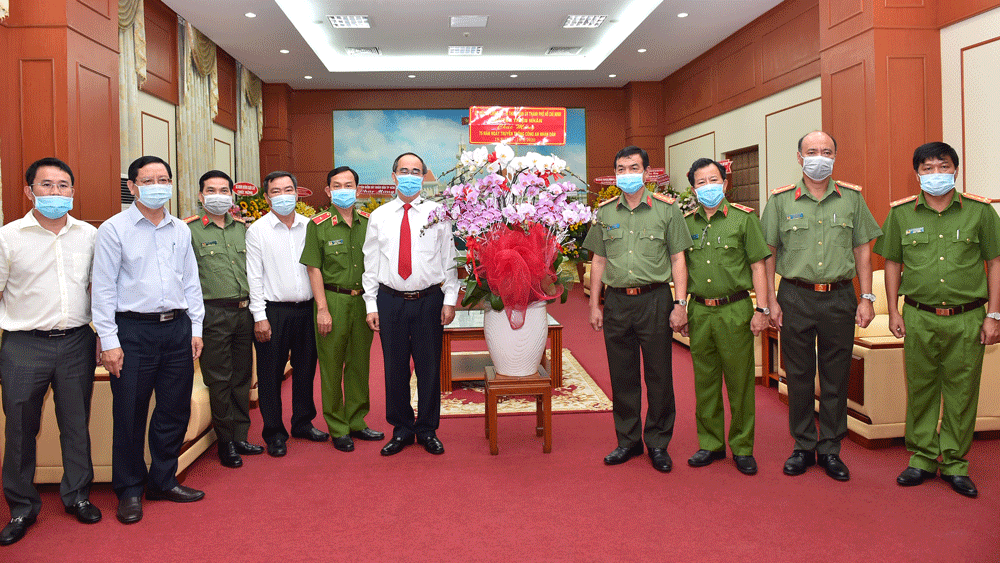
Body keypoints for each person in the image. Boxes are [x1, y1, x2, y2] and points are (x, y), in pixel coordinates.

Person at [873, 142, 1000, 498]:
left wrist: (994, 314)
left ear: (955, 169)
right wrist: (895, 311)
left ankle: (956, 463)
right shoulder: (900, 215)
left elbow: (996, 263)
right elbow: (892, 264)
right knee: (922, 388)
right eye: (926, 169)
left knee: (962, 392)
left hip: (968, 317)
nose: (935, 174)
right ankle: (923, 458)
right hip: (919, 316)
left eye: (942, 166)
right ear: (917, 174)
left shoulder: (981, 212)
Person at [760, 131, 881, 481]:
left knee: (835, 376)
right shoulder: (781, 201)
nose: (819, 157)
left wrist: (867, 298)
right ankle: (802, 445)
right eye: (812, 151)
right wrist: (769, 301)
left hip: (840, 297)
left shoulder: (852, 199)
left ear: (835, 156)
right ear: (799, 157)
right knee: (798, 377)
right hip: (795, 296)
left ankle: (830, 449)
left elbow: (863, 251)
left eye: (826, 151)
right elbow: (768, 252)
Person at [92, 155, 206, 525]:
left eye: (164, 178)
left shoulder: (181, 229)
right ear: (133, 186)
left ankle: (162, 480)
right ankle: (128, 490)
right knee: (129, 413)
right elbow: (103, 290)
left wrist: (196, 328)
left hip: (176, 328)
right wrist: (109, 341)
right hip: (133, 332)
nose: (158, 185)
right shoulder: (113, 229)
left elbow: (191, 282)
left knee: (174, 409)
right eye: (149, 179)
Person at [0, 158, 101, 546]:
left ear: (73, 192)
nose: (55, 193)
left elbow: (100, 288)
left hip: (77, 341)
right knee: (21, 428)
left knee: (76, 424)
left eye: (63, 186)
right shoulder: (9, 237)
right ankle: (21, 506)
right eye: (46, 185)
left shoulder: (89, 235)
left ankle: (77, 496)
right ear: (29, 191)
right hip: (24, 345)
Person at [583, 145, 691, 473]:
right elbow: (598, 260)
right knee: (623, 374)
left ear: (645, 172)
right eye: (621, 168)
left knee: (659, 374)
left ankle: (658, 441)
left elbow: (678, 259)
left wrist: (680, 304)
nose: (627, 174)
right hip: (617, 302)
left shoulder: (666, 210)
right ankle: (627, 440)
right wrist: (594, 304)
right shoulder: (605, 212)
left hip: (654, 299)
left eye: (633, 168)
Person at [362, 152, 459, 456]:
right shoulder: (379, 216)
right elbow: (371, 263)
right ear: (393, 176)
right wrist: (371, 305)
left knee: (429, 368)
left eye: (415, 171)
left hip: (429, 300)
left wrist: (451, 299)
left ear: (424, 176)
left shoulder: (438, 213)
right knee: (395, 368)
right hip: (390, 301)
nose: (409, 175)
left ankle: (427, 429)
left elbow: (450, 260)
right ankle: (402, 428)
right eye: (404, 170)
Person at [682, 158, 770, 476]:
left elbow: (759, 265)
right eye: (701, 182)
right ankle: (711, 444)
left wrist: (762, 309)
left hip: (735, 309)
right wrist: (679, 306)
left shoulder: (744, 220)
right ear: (693, 188)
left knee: (740, 382)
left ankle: (743, 447)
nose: (708, 187)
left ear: (725, 183)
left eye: (714, 180)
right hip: (700, 310)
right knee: (704, 382)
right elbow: (679, 269)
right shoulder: (686, 223)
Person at [301, 167, 384, 453]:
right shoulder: (319, 224)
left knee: (360, 363)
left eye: (349, 185)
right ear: (328, 190)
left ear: (358, 189)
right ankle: (337, 426)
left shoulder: (369, 222)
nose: (343, 189)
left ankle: (357, 420)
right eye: (337, 185)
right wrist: (322, 309)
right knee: (332, 366)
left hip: (363, 301)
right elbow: (313, 269)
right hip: (333, 301)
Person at [247, 171, 329, 457]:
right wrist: (259, 316)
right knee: (270, 374)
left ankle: (303, 422)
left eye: (288, 189)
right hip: (273, 312)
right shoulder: (257, 230)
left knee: (306, 369)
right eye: (276, 191)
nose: (283, 196)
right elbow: (254, 277)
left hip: (307, 309)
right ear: (267, 196)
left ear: (298, 193)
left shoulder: (311, 226)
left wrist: (322, 308)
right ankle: (274, 433)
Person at [185, 170, 262, 468]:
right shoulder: (189, 230)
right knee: (219, 378)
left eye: (223, 190)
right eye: (211, 190)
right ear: (201, 196)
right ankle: (226, 441)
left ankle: (241, 434)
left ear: (231, 195)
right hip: (211, 313)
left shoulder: (243, 229)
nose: (218, 195)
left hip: (244, 311)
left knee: (242, 376)